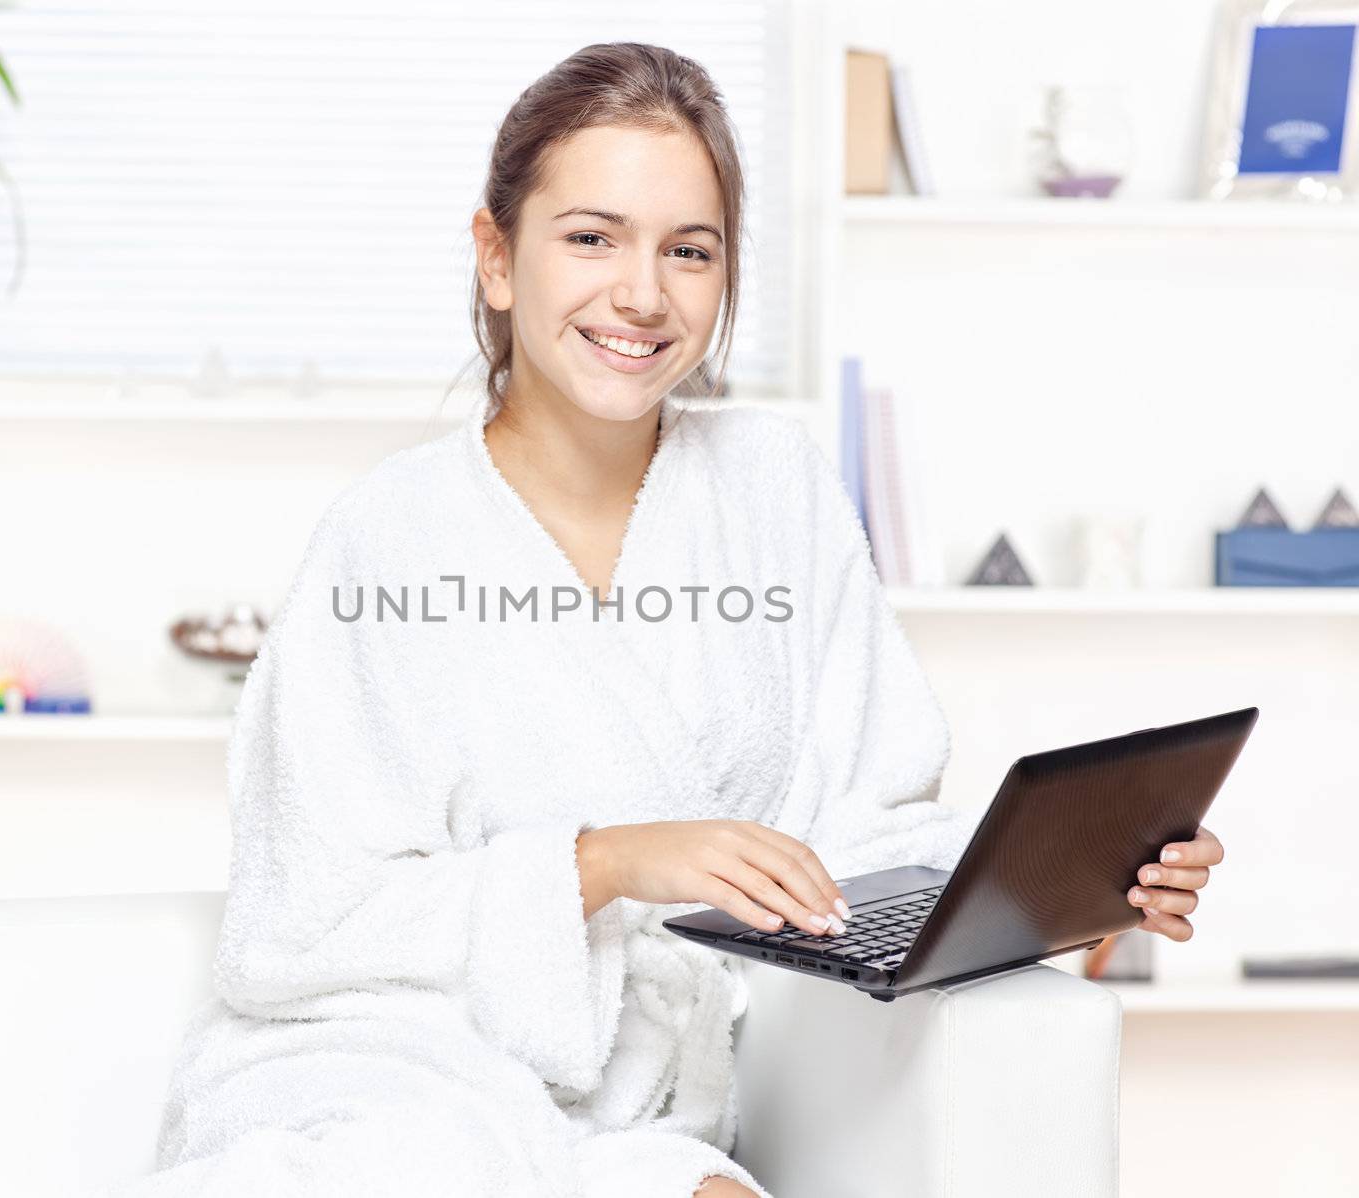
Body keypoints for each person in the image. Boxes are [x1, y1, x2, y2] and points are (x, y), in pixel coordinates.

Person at [103, 41, 1224, 1198]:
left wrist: (1063, 888)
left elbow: (864, 832)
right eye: (590, 238)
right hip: (388, 1074)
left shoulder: (773, 491)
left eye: (688, 251)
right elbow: (298, 927)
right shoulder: (384, 538)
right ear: (496, 259)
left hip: (643, 1099)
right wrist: (604, 863)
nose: (641, 293)